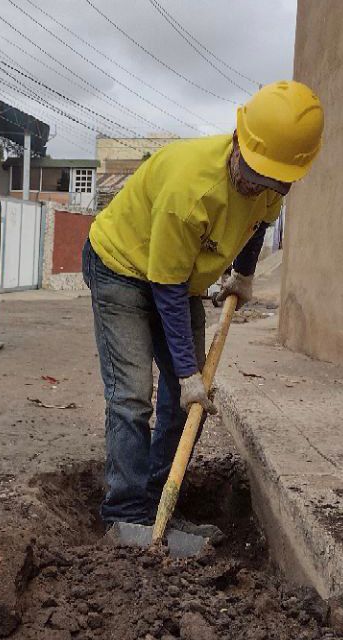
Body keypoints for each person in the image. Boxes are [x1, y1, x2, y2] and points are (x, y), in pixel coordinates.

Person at [82, 80, 325, 528]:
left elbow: (259, 224)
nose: (260, 187)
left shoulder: (274, 182)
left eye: (274, 181)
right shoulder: (190, 190)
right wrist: (189, 373)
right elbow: (166, 289)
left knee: (185, 401)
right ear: (238, 139)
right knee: (133, 396)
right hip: (121, 267)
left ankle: (159, 505)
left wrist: (244, 277)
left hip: (181, 280)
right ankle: (124, 511)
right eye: (255, 175)